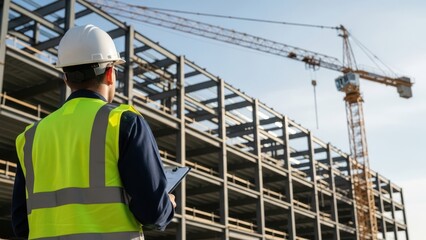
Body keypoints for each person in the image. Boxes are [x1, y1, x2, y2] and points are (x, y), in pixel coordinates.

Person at [11, 24, 175, 239]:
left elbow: (22, 224)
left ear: (66, 78)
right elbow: (152, 214)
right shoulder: (124, 122)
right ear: (110, 73)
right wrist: (167, 205)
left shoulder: (30, 136)